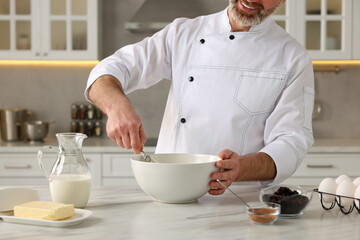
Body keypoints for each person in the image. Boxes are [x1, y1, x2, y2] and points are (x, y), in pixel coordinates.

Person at [85, 0, 314, 195]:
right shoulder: (183, 33)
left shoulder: (293, 58)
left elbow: (291, 142)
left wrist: (240, 168)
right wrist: (116, 107)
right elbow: (112, 68)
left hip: (236, 205)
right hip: (167, 197)